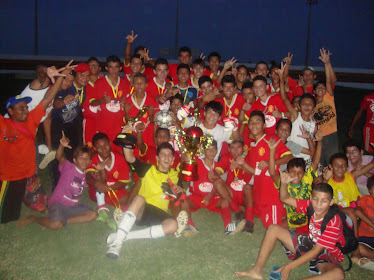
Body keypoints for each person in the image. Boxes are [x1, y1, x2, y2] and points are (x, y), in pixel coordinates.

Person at [0, 61, 73, 223]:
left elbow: (48, 97)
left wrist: (60, 78)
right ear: (10, 111)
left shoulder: (31, 119)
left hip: (28, 175)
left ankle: (26, 198)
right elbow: (40, 71)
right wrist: (48, 72)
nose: (26, 110)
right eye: (20, 108)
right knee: (5, 217)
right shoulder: (3, 124)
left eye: (26, 107)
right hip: (8, 177)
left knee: (38, 208)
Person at [235, 181, 346, 280]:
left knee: (339, 274)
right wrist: (283, 183)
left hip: (327, 255)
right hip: (310, 243)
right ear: (311, 198)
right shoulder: (310, 206)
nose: (318, 204)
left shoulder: (334, 221)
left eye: (324, 201)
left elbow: (316, 252)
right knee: (273, 228)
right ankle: (256, 271)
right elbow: (285, 198)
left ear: (331, 202)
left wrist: (288, 267)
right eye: (316, 199)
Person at [105, 142, 188, 259]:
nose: (166, 157)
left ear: (173, 159)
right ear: (157, 158)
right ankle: (116, 244)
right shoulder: (148, 169)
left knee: (173, 225)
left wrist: (180, 191)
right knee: (139, 198)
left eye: (169, 155)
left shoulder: (176, 175)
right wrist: (126, 136)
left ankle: (124, 235)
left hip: (159, 213)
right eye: (163, 154)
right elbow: (129, 157)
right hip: (142, 209)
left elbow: (180, 196)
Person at [17, 132, 96, 229]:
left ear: (90, 161)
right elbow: (59, 156)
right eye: (81, 158)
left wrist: (100, 170)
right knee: (55, 225)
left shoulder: (86, 175)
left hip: (72, 206)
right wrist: (62, 145)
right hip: (58, 203)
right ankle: (34, 218)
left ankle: (62, 220)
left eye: (87, 158)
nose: (84, 161)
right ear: (74, 160)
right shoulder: (69, 167)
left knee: (93, 215)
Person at [267, 131, 322, 234]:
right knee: (273, 228)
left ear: (304, 173)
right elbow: (272, 172)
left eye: (300, 172)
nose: (296, 175)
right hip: (291, 221)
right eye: (293, 172)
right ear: (287, 172)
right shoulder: (284, 182)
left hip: (309, 220)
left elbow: (315, 161)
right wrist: (272, 150)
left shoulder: (306, 179)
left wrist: (320, 142)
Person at [245, 111, 293, 228]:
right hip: (259, 192)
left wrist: (270, 162)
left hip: (271, 192)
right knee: (265, 223)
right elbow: (255, 171)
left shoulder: (271, 139)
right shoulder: (252, 147)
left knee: (272, 227)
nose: (254, 125)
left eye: (258, 122)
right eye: (251, 122)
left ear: (264, 126)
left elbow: (289, 157)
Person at [50, 62, 91, 189]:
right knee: (58, 154)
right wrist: (63, 101)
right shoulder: (64, 87)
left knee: (73, 154)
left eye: (87, 75)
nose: (85, 78)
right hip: (59, 125)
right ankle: (57, 184)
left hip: (73, 124)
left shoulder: (80, 87)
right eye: (81, 75)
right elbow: (55, 103)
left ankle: (71, 181)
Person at [86, 133, 131, 229]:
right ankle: (102, 208)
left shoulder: (119, 158)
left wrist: (110, 188)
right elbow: (88, 177)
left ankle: (117, 217)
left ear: (110, 143)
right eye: (99, 147)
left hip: (113, 188)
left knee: (133, 199)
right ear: (94, 148)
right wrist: (98, 184)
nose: (104, 149)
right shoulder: (94, 159)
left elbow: (123, 182)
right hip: (98, 191)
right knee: (97, 175)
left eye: (106, 145)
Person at [277, 63, 317, 164]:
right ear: (299, 106)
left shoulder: (314, 124)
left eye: (310, 104)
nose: (307, 106)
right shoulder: (295, 116)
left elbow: (313, 145)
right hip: (291, 157)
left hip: (306, 159)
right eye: (304, 104)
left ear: (314, 108)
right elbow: (284, 98)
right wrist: (281, 79)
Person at [211, 140, 254, 233]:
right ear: (229, 149)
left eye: (238, 147)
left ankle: (250, 222)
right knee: (217, 182)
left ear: (243, 148)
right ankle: (237, 210)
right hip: (231, 195)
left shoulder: (249, 157)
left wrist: (241, 166)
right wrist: (213, 174)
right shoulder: (226, 157)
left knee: (248, 187)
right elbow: (218, 171)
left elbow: (256, 173)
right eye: (233, 148)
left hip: (245, 196)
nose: (236, 151)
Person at [91, 55, 127, 149]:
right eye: (111, 67)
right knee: (104, 152)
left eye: (116, 67)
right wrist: (101, 100)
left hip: (119, 126)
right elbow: (92, 103)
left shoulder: (125, 83)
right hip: (104, 125)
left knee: (119, 152)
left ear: (120, 68)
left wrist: (125, 101)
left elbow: (129, 104)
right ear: (106, 68)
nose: (114, 70)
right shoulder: (99, 83)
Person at [312, 49, 339, 165]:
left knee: (332, 161)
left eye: (323, 87)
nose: (322, 89)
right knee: (320, 163)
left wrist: (327, 63)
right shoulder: (312, 106)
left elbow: (329, 81)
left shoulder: (329, 98)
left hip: (332, 134)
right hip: (320, 137)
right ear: (314, 91)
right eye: (318, 87)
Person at [353, 175, 374, 270]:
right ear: (370, 190)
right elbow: (357, 211)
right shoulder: (366, 199)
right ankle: (365, 259)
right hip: (365, 237)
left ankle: (365, 260)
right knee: (358, 248)